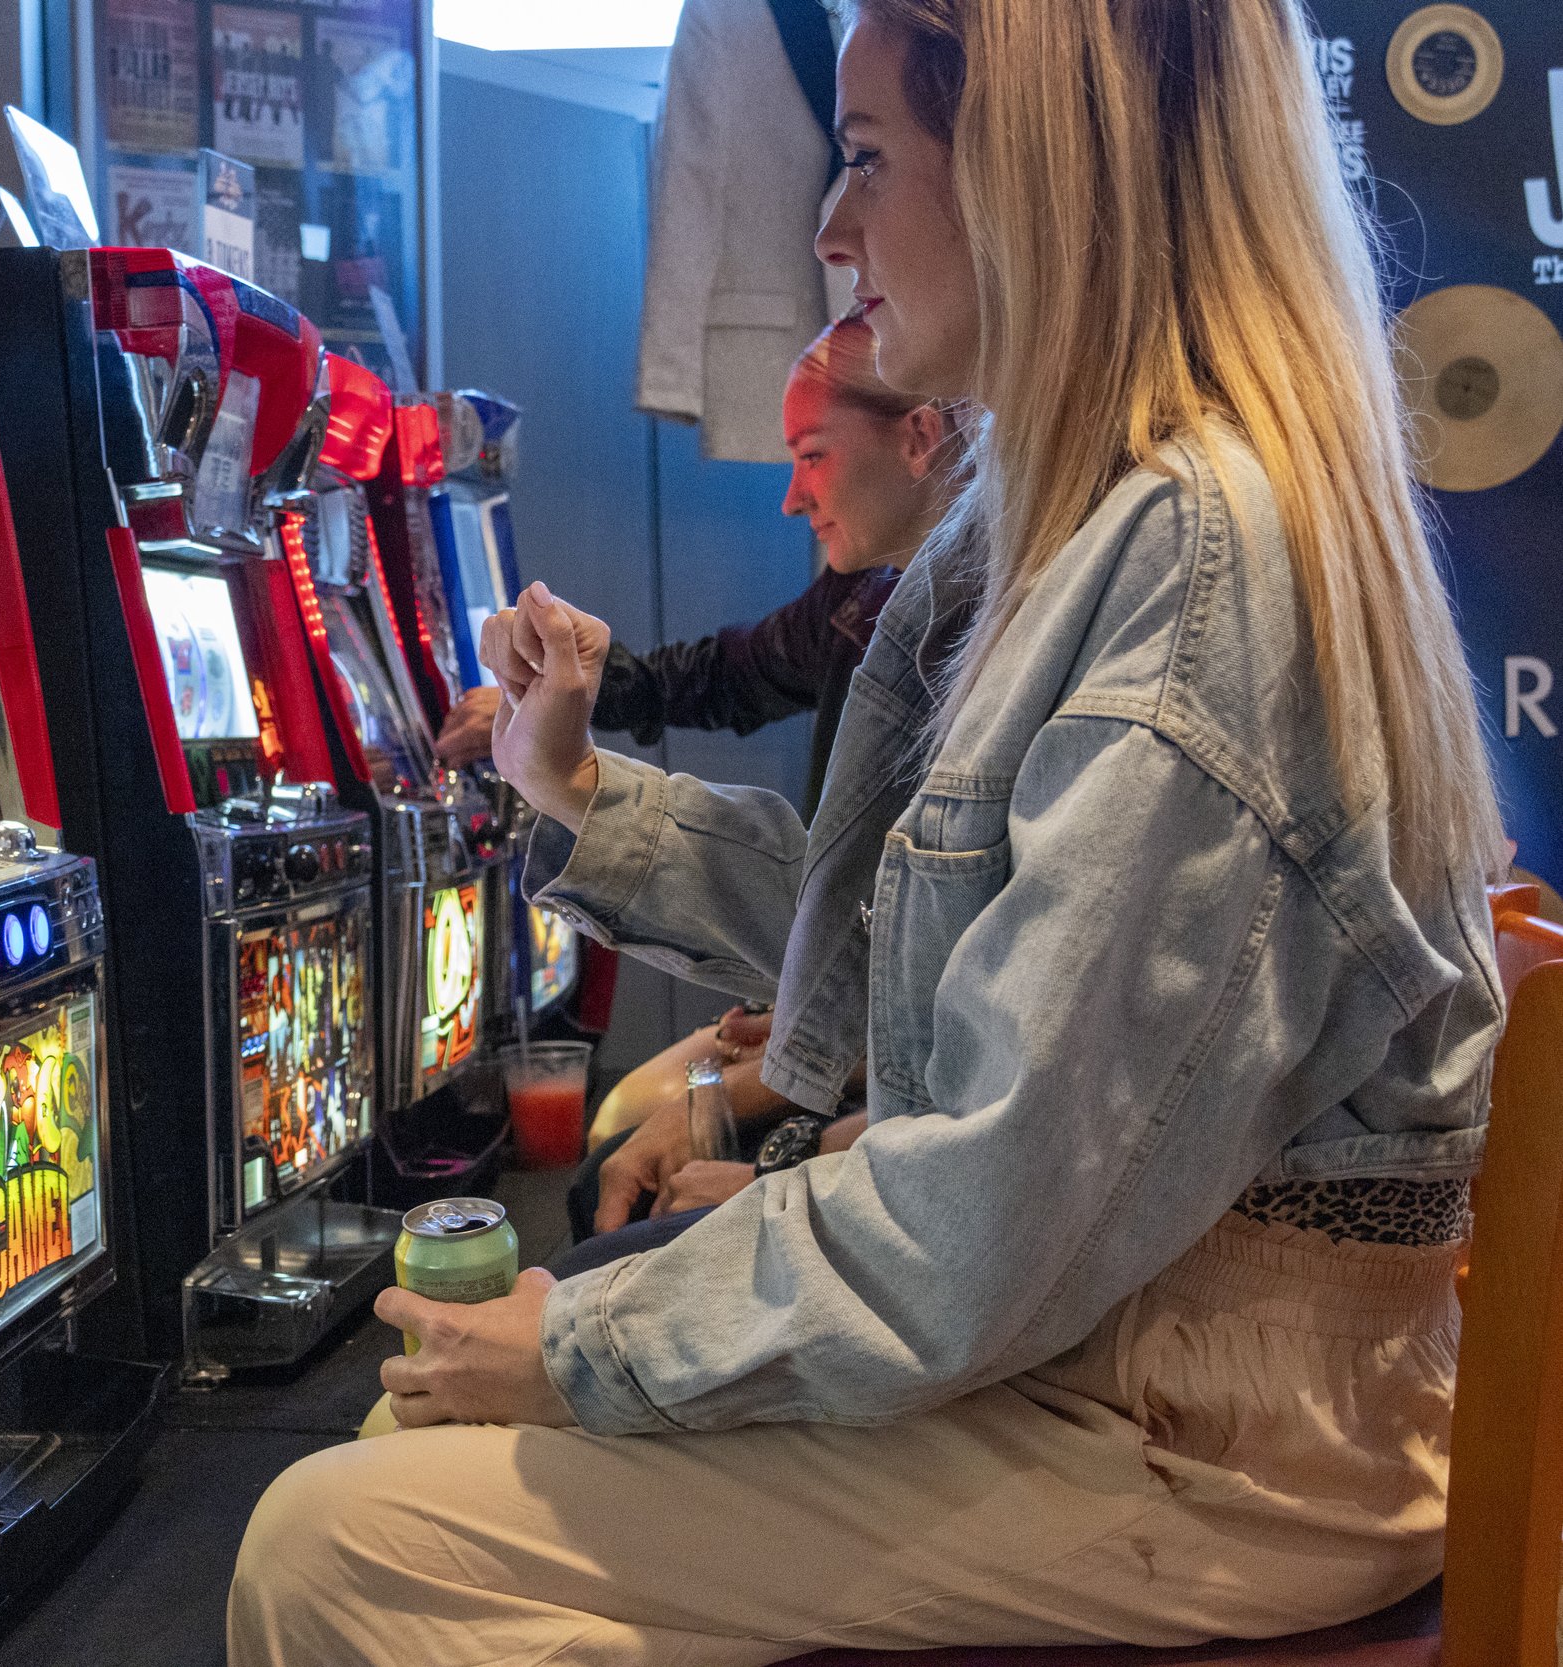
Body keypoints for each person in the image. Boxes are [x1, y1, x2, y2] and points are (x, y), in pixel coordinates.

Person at [229, 2, 1503, 1661]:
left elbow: (982, 1224)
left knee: (344, 1545)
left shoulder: (1200, 563)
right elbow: (922, 936)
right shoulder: (1088, 520)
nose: (829, 229)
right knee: (413, 1452)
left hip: (1212, 1440)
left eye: (870, 158)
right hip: (1125, 1345)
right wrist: (579, 790)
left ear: (1043, 174)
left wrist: (588, 1342)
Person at [436, 311, 956, 828]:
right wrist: (586, 679)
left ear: (919, 439)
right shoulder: (858, 594)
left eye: (813, 456)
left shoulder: (987, 636)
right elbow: (726, 676)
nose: (792, 501)